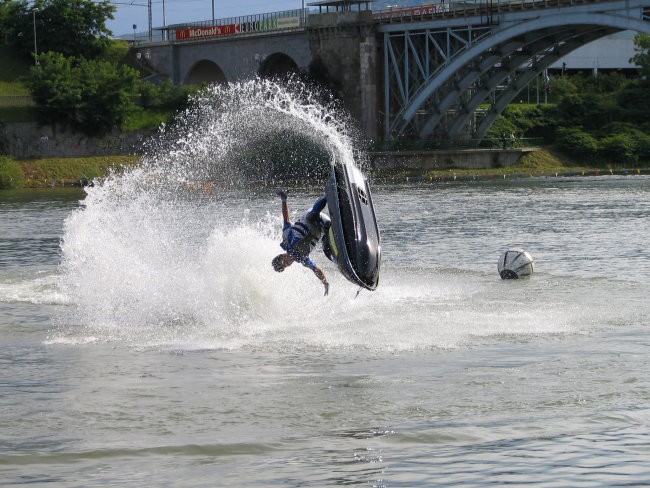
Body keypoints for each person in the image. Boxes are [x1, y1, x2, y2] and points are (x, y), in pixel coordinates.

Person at [272, 188, 331, 296]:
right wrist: (325, 283)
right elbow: (316, 270)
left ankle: (327, 195)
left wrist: (284, 199)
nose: (287, 262)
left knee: (312, 217)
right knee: (327, 240)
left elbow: (286, 218)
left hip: (313, 215)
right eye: (286, 265)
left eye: (284, 261)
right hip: (323, 227)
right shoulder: (302, 259)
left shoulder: (287, 239)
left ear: (282, 255)